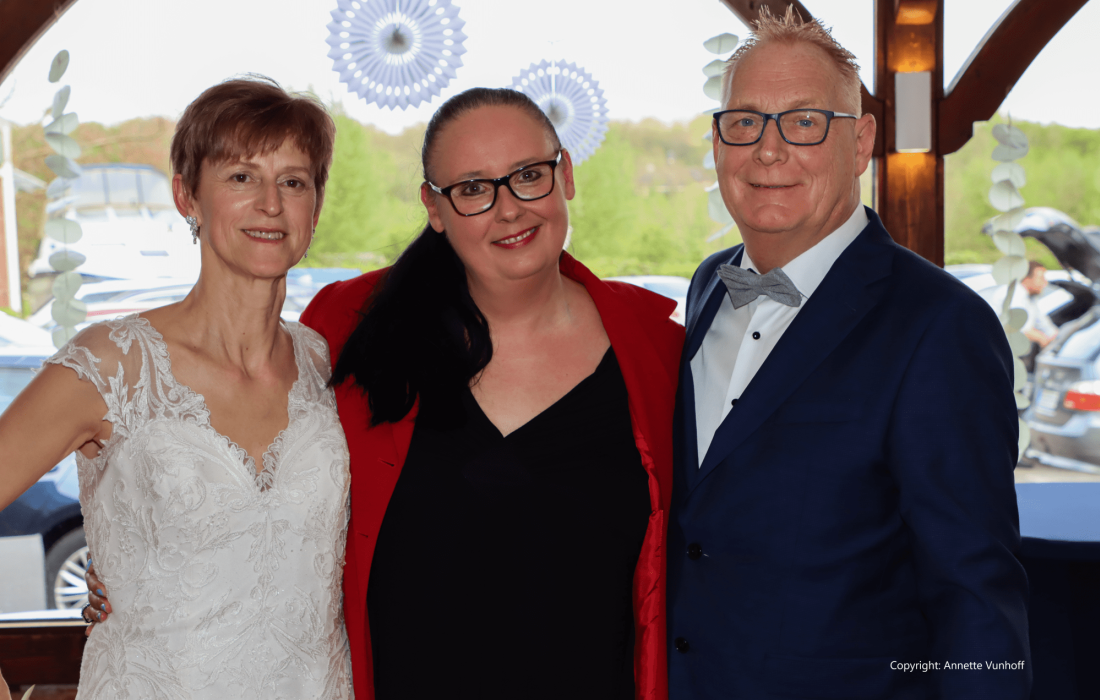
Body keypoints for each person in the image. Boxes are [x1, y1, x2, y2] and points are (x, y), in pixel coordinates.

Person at [667, 9, 1031, 700]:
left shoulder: (940, 325)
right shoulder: (710, 283)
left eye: (804, 122)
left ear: (860, 143)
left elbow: (975, 597)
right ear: (717, 142)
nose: (768, 151)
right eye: (744, 121)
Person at [299, 87, 683, 699]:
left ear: (566, 176)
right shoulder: (348, 327)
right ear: (434, 207)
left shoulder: (659, 351)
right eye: (474, 188)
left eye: (528, 175)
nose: (508, 210)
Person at [1, 77, 353, 699]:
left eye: (294, 182)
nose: (271, 203)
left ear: (316, 208)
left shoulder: (329, 363)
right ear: (187, 196)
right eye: (241, 177)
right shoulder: (110, 364)